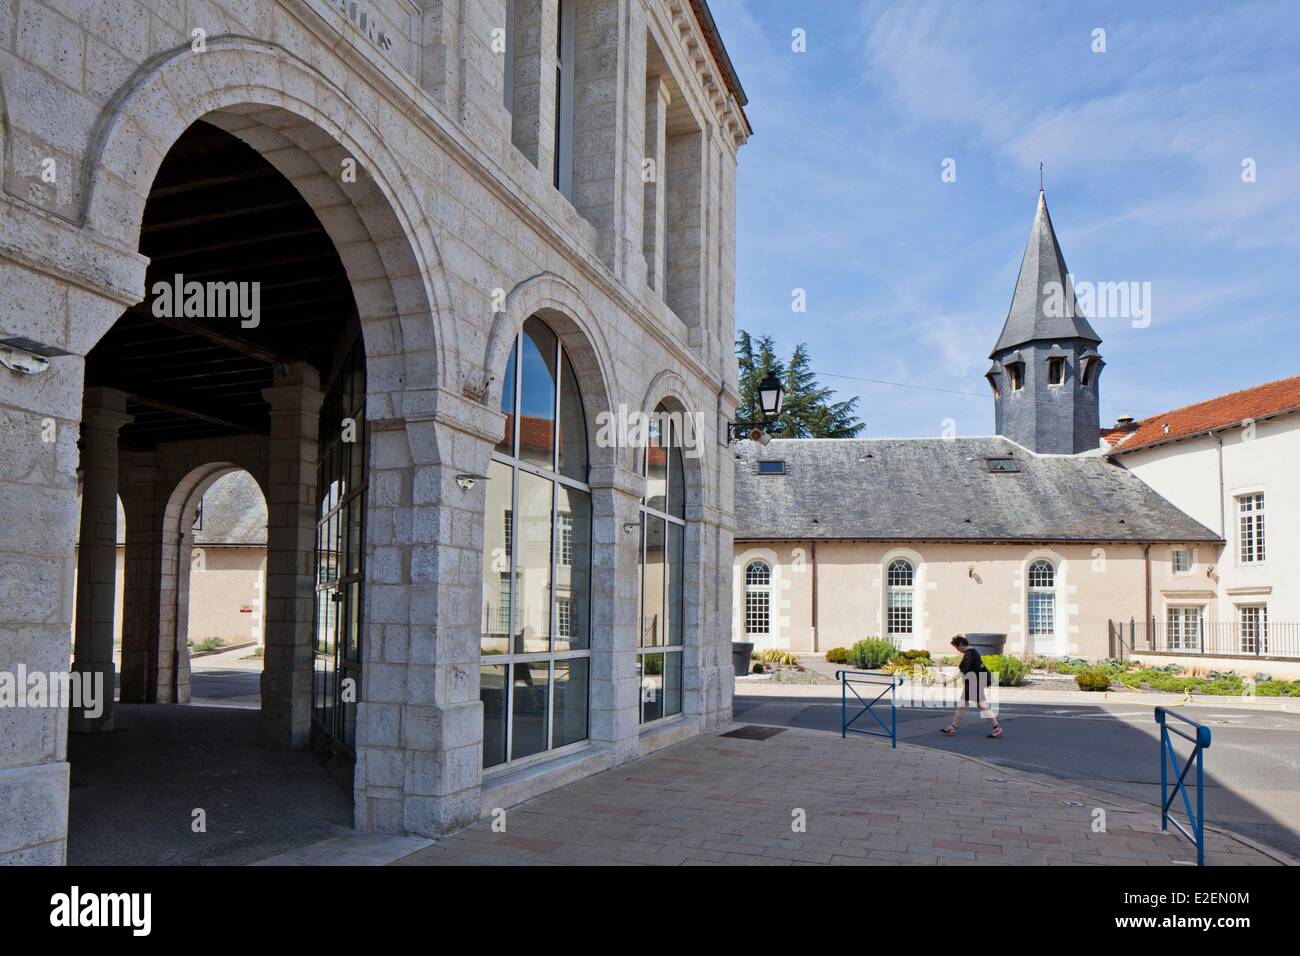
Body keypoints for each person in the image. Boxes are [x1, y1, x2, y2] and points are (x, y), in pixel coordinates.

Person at [942, 635, 1003, 738]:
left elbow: (963, 671)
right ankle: (952, 728)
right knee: (965, 704)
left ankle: (997, 728)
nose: (957, 650)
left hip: (976, 681)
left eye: (957, 647)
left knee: (980, 705)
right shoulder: (971, 652)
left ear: (961, 644)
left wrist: (949, 681)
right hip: (974, 681)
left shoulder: (970, 654)